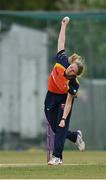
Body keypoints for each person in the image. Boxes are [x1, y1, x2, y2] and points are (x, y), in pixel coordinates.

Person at [44, 16, 85, 165]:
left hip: (63, 100)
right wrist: (63, 25)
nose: (70, 68)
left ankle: (57, 157)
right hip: (50, 96)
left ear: (75, 74)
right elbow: (61, 42)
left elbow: (68, 103)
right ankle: (75, 137)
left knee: (60, 127)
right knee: (56, 129)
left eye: (73, 69)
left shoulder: (74, 84)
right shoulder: (62, 61)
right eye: (71, 65)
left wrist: (63, 119)